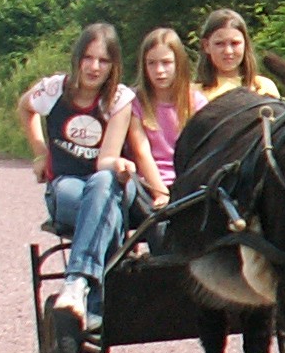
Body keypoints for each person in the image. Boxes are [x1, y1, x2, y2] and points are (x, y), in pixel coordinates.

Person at [20, 23, 143, 324]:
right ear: (77, 59)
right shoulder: (54, 89)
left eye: (103, 60)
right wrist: (40, 151)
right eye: (88, 58)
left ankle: (76, 282)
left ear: (114, 65)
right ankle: (96, 302)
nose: (94, 67)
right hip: (67, 185)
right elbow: (25, 107)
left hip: (112, 180)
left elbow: (106, 161)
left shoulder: (119, 99)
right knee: (106, 213)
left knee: (103, 186)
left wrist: (119, 168)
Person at [132, 26, 204, 204]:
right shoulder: (135, 102)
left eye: (166, 63)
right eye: (152, 63)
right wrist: (160, 192)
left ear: (178, 63)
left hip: (189, 183)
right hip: (149, 185)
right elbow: (141, 152)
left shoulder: (196, 101)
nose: (159, 71)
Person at [195, 8, 280, 102]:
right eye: (219, 44)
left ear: (245, 44)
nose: (228, 51)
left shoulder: (263, 87)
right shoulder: (193, 94)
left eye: (235, 43)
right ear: (206, 46)